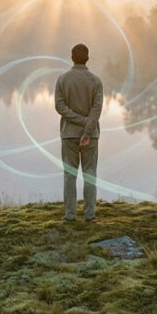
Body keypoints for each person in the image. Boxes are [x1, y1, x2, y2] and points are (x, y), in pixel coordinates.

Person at [54, 43, 103, 222]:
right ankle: (90, 216)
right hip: (91, 136)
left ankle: (70, 215)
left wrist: (80, 123)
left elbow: (59, 107)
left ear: (72, 57)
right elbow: (97, 110)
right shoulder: (96, 81)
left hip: (69, 134)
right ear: (87, 58)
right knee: (90, 174)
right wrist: (88, 129)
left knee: (69, 175)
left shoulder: (62, 79)